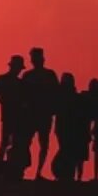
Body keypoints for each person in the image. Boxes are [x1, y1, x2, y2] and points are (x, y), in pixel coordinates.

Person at [20, 47, 59, 180]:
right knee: (25, 142)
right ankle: (22, 169)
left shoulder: (49, 75)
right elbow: (22, 96)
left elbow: (56, 94)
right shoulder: (28, 75)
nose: (34, 60)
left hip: (44, 114)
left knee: (43, 144)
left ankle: (38, 171)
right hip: (31, 115)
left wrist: (53, 109)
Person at [54, 72, 88, 181]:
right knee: (67, 151)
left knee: (68, 151)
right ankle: (66, 174)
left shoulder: (67, 96)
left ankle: (67, 174)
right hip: (64, 128)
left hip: (68, 128)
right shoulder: (63, 95)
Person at [0, 55, 24, 161]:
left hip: (17, 116)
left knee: (15, 143)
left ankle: (11, 166)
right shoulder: (2, 79)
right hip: (8, 116)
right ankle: (0, 165)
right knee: (5, 143)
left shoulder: (20, 83)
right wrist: (7, 102)